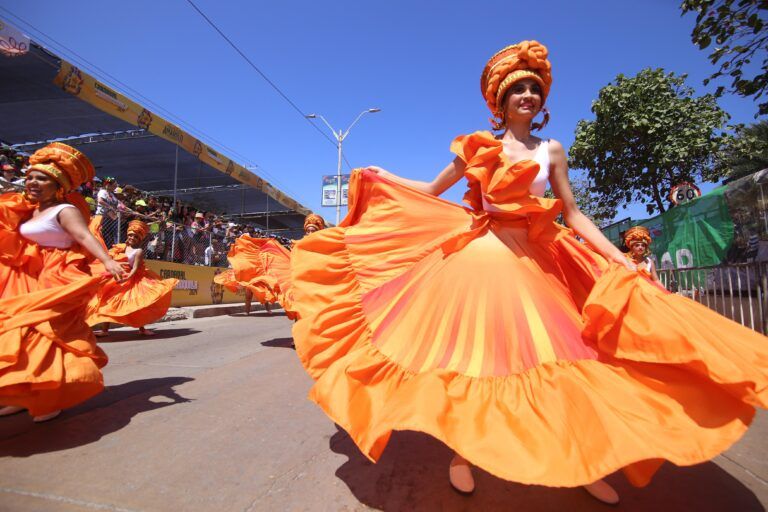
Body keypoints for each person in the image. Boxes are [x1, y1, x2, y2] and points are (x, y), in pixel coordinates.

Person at [289, 41, 768, 505]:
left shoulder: (552, 150)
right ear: (500, 101)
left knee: (571, 359)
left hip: (540, 263)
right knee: (480, 360)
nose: (528, 95)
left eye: (535, 89)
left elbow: (573, 214)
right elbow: (432, 189)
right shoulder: (479, 146)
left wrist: (616, 257)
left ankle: (587, 463)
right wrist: (382, 175)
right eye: (518, 88)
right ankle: (464, 453)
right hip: (482, 264)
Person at [0, 142, 126, 422]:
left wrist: (107, 261)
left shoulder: (65, 210)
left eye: (41, 178)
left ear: (58, 186)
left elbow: (84, 237)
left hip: (56, 279)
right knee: (17, 335)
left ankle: (49, 398)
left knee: (45, 337)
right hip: (27, 279)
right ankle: (21, 395)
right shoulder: (29, 209)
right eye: (30, 177)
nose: (32, 182)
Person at [88, 220, 178, 337]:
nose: (132, 238)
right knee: (109, 303)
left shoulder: (138, 251)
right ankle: (105, 330)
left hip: (131, 279)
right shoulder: (121, 247)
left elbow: (135, 268)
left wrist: (126, 278)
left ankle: (142, 329)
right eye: (131, 235)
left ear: (139, 239)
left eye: (135, 236)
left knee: (137, 304)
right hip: (117, 278)